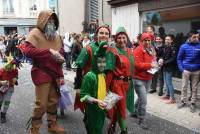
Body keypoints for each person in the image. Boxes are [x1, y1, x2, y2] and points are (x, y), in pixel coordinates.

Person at [18, 10, 65, 134]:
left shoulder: (57, 36)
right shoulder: (35, 33)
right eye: (49, 20)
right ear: (42, 20)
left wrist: (61, 62)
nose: (51, 23)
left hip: (55, 74)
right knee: (41, 104)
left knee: (53, 101)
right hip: (41, 73)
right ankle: (34, 129)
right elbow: (28, 51)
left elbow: (61, 53)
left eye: (53, 21)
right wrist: (48, 51)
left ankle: (52, 125)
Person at [74, 25, 111, 113]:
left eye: (106, 34)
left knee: (100, 107)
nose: (104, 35)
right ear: (96, 35)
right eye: (101, 33)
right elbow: (79, 67)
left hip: (102, 83)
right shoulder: (88, 48)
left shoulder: (109, 50)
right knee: (89, 109)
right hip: (89, 83)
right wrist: (78, 87)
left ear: (109, 36)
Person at [106, 27, 134, 134]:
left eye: (124, 37)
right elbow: (109, 71)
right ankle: (124, 130)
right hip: (117, 84)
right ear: (115, 39)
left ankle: (112, 125)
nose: (122, 40)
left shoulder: (130, 51)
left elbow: (132, 67)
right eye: (119, 38)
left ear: (127, 38)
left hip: (128, 84)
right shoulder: (112, 52)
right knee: (121, 107)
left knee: (119, 107)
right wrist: (106, 88)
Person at [80, 41, 108, 134]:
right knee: (93, 129)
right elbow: (84, 95)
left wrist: (109, 97)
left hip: (101, 110)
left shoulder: (103, 75)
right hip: (92, 111)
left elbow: (103, 90)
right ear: (95, 61)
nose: (102, 65)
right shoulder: (89, 76)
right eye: (99, 62)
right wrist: (96, 100)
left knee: (99, 128)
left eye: (104, 62)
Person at [132, 32, 157, 130]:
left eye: (149, 40)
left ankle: (134, 111)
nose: (147, 42)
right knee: (144, 100)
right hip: (138, 79)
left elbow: (153, 60)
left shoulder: (152, 49)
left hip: (148, 78)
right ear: (141, 41)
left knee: (142, 97)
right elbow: (137, 64)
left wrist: (157, 63)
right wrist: (150, 65)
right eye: (145, 40)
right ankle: (141, 119)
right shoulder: (137, 50)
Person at [177, 30, 200, 113]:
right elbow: (179, 58)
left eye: (197, 37)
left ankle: (193, 103)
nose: (196, 38)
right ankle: (183, 101)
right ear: (189, 37)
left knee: (194, 88)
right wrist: (181, 68)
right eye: (194, 37)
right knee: (184, 86)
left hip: (196, 70)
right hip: (186, 70)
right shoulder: (183, 46)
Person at [0, 55, 18, 123]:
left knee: (7, 101)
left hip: (9, 88)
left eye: (13, 66)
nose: (10, 68)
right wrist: (1, 82)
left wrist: (15, 80)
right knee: (0, 101)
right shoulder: (2, 70)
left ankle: (3, 114)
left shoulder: (15, 70)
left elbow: (16, 77)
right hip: (1, 88)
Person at [160, 35, 176, 104]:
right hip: (164, 67)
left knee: (169, 83)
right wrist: (160, 60)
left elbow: (173, 59)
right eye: (166, 39)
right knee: (166, 82)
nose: (166, 40)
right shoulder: (165, 47)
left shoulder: (173, 48)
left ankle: (172, 99)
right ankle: (167, 95)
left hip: (169, 68)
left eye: (168, 39)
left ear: (171, 41)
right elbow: (162, 56)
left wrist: (164, 62)